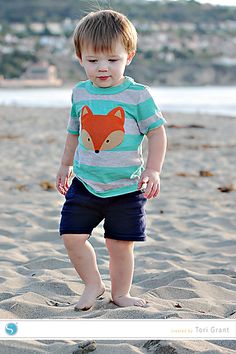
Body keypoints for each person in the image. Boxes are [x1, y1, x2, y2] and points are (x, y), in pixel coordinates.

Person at [56, 9, 167, 311]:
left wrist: (153, 170)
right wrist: (65, 165)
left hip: (126, 188)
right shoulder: (80, 93)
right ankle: (93, 283)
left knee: (119, 245)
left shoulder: (137, 95)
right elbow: (73, 133)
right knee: (71, 236)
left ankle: (121, 293)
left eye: (112, 60)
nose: (102, 68)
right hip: (86, 183)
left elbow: (156, 133)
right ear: (80, 57)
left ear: (129, 56)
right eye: (93, 61)